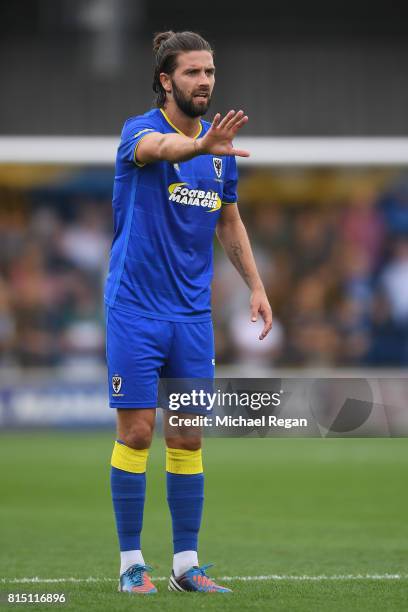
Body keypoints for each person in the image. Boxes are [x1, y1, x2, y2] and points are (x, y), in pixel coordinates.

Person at [104, 30, 272, 594]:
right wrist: (201, 147)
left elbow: (229, 220)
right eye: (193, 72)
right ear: (165, 80)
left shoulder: (220, 153)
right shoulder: (141, 132)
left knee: (188, 439)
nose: (204, 81)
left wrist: (255, 284)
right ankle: (131, 564)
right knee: (137, 433)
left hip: (191, 317)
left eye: (210, 73)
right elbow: (162, 151)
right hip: (134, 308)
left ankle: (184, 566)